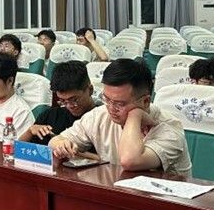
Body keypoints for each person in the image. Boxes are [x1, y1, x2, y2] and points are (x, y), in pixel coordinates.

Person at [49, 59, 191, 176]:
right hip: (118, 190)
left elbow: (130, 160)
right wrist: (62, 145)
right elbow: (55, 141)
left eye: (119, 104)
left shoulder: (169, 128)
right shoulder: (99, 115)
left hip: (163, 199)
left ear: (146, 101)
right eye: (106, 99)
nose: (111, 108)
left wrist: (135, 115)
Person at [19, 60, 98, 145]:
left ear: (90, 90)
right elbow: (17, 149)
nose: (69, 106)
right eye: (62, 101)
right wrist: (29, 132)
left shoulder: (102, 120)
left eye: (74, 100)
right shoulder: (49, 116)